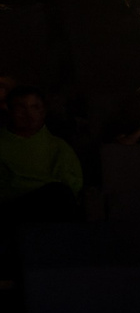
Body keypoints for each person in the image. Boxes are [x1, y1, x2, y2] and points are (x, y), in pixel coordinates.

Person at [0, 87, 86, 225]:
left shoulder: (58, 146)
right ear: (10, 111)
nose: (28, 114)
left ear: (43, 111)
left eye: (35, 107)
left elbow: (72, 184)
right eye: (21, 107)